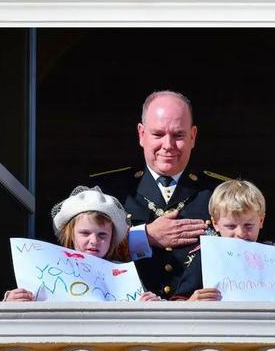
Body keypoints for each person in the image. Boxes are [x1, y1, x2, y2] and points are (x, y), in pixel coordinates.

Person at [4, 186, 158, 351]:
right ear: (69, 234)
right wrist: (13, 302)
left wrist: (148, 304)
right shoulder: (47, 273)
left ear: (112, 239)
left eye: (102, 235)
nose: (93, 241)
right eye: (85, 233)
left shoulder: (122, 277)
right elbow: (28, 312)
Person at [93, 90, 224, 299]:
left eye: (178, 135)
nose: (168, 145)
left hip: (201, 322)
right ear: (141, 134)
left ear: (193, 136)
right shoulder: (106, 192)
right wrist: (144, 237)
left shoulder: (221, 193)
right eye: (158, 134)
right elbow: (77, 249)